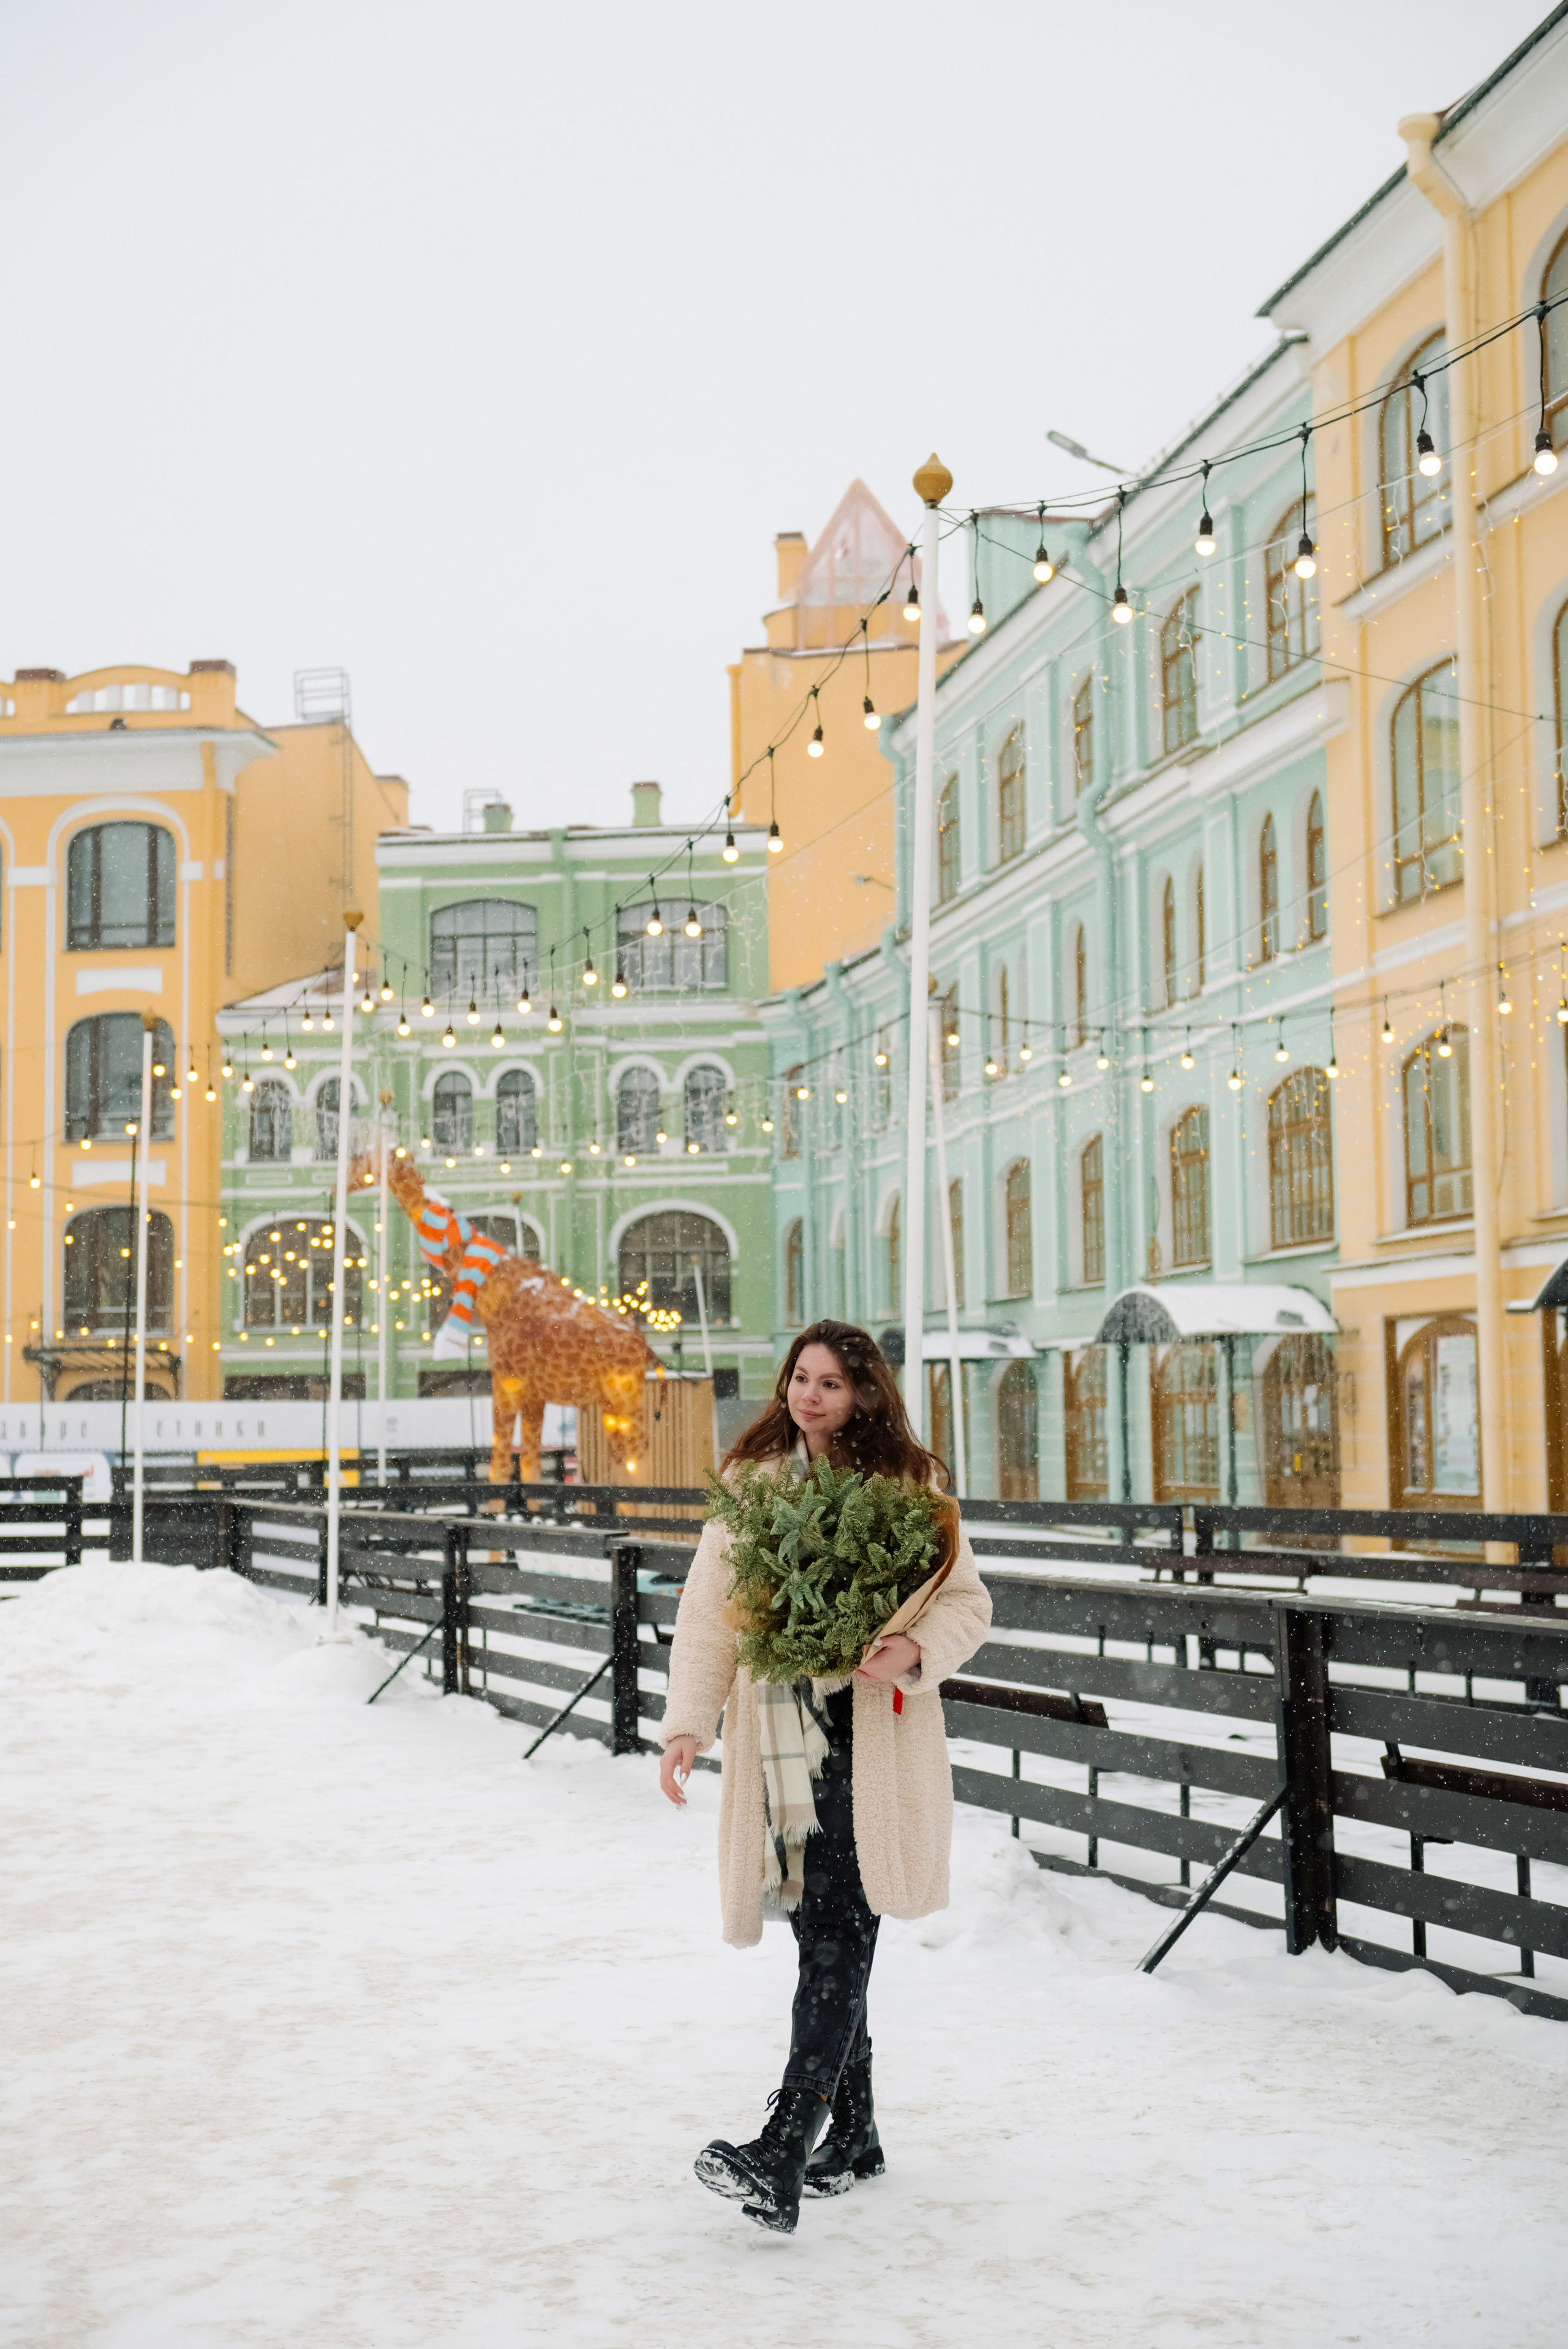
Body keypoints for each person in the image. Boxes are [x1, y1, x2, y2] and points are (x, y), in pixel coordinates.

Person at [658, 1319, 992, 2234]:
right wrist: (688, 1722)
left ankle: (786, 2141)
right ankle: (857, 2131)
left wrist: (915, 1648)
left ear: (865, 1393)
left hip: (872, 1733)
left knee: (842, 1916)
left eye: (832, 1382)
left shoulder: (911, 1487)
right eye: (800, 1377)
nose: (810, 1394)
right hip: (781, 1732)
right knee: (821, 1924)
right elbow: (709, 1613)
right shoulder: (755, 1483)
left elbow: (968, 1602)